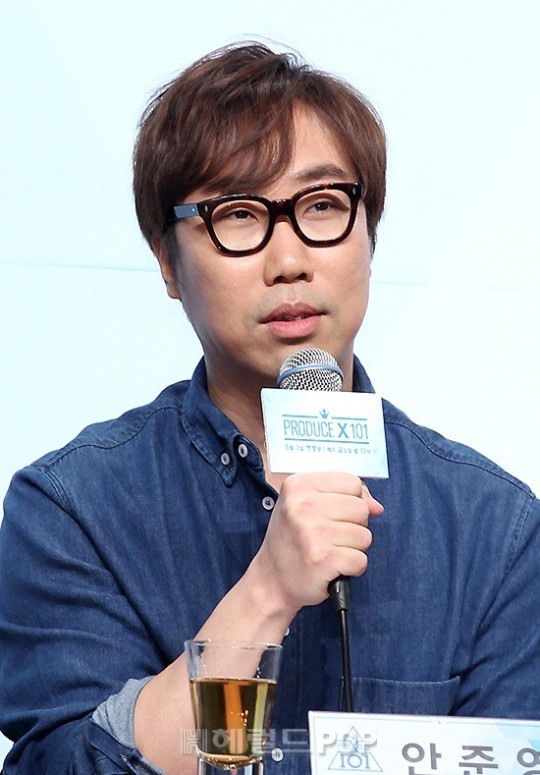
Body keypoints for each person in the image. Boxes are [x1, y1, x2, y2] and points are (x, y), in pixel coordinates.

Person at [0, 42, 539, 775]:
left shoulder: (496, 528)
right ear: (167, 262)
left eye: (322, 206)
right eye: (238, 215)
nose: (289, 261)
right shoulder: (73, 509)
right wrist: (266, 594)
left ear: (369, 236)